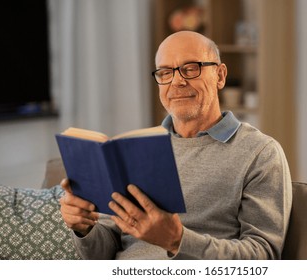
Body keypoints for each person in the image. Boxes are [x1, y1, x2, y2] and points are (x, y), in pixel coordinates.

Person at [59, 31, 292, 260]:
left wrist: (176, 240)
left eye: (191, 68)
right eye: (165, 72)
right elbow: (103, 252)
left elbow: (263, 256)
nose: (177, 81)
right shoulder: (137, 150)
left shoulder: (260, 152)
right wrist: (84, 228)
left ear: (220, 76)